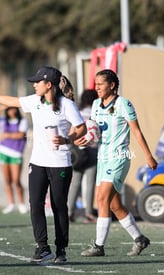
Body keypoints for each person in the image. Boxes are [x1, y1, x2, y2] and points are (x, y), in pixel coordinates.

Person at [0, 66, 87, 263]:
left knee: (59, 206)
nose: (34, 85)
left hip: (60, 163)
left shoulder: (67, 105)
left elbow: (81, 128)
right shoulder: (34, 102)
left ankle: (61, 250)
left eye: (37, 82)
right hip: (37, 162)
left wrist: (66, 139)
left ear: (48, 85)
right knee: (35, 204)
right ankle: (43, 247)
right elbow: (12, 100)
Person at [78, 69, 157, 257]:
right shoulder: (96, 104)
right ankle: (140, 239)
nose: (96, 87)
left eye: (100, 84)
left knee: (101, 199)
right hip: (102, 158)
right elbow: (94, 130)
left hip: (119, 157)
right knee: (113, 205)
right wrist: (85, 139)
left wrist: (148, 156)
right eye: (95, 84)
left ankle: (98, 246)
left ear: (112, 85)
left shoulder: (124, 104)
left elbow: (136, 131)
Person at [0, 105, 29, 214]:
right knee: (7, 180)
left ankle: (21, 204)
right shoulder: (3, 120)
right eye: (9, 109)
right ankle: (11, 204)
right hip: (4, 151)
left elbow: (21, 135)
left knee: (16, 180)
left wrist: (7, 135)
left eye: (13, 108)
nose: (12, 111)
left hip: (16, 153)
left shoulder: (22, 121)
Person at [67, 89, 99, 223]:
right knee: (90, 184)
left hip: (78, 153)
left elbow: (71, 132)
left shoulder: (78, 113)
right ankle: (89, 213)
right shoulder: (96, 114)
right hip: (92, 151)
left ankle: (69, 212)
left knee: (75, 183)